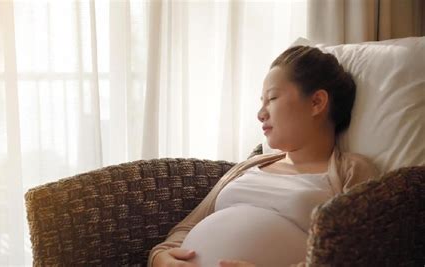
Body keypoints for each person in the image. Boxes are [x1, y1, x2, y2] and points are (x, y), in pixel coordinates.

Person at [148, 46, 379, 267]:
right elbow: (184, 229)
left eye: (273, 98)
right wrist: (160, 256)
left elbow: (360, 256)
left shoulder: (351, 171)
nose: (260, 114)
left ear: (316, 102)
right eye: (262, 102)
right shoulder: (248, 167)